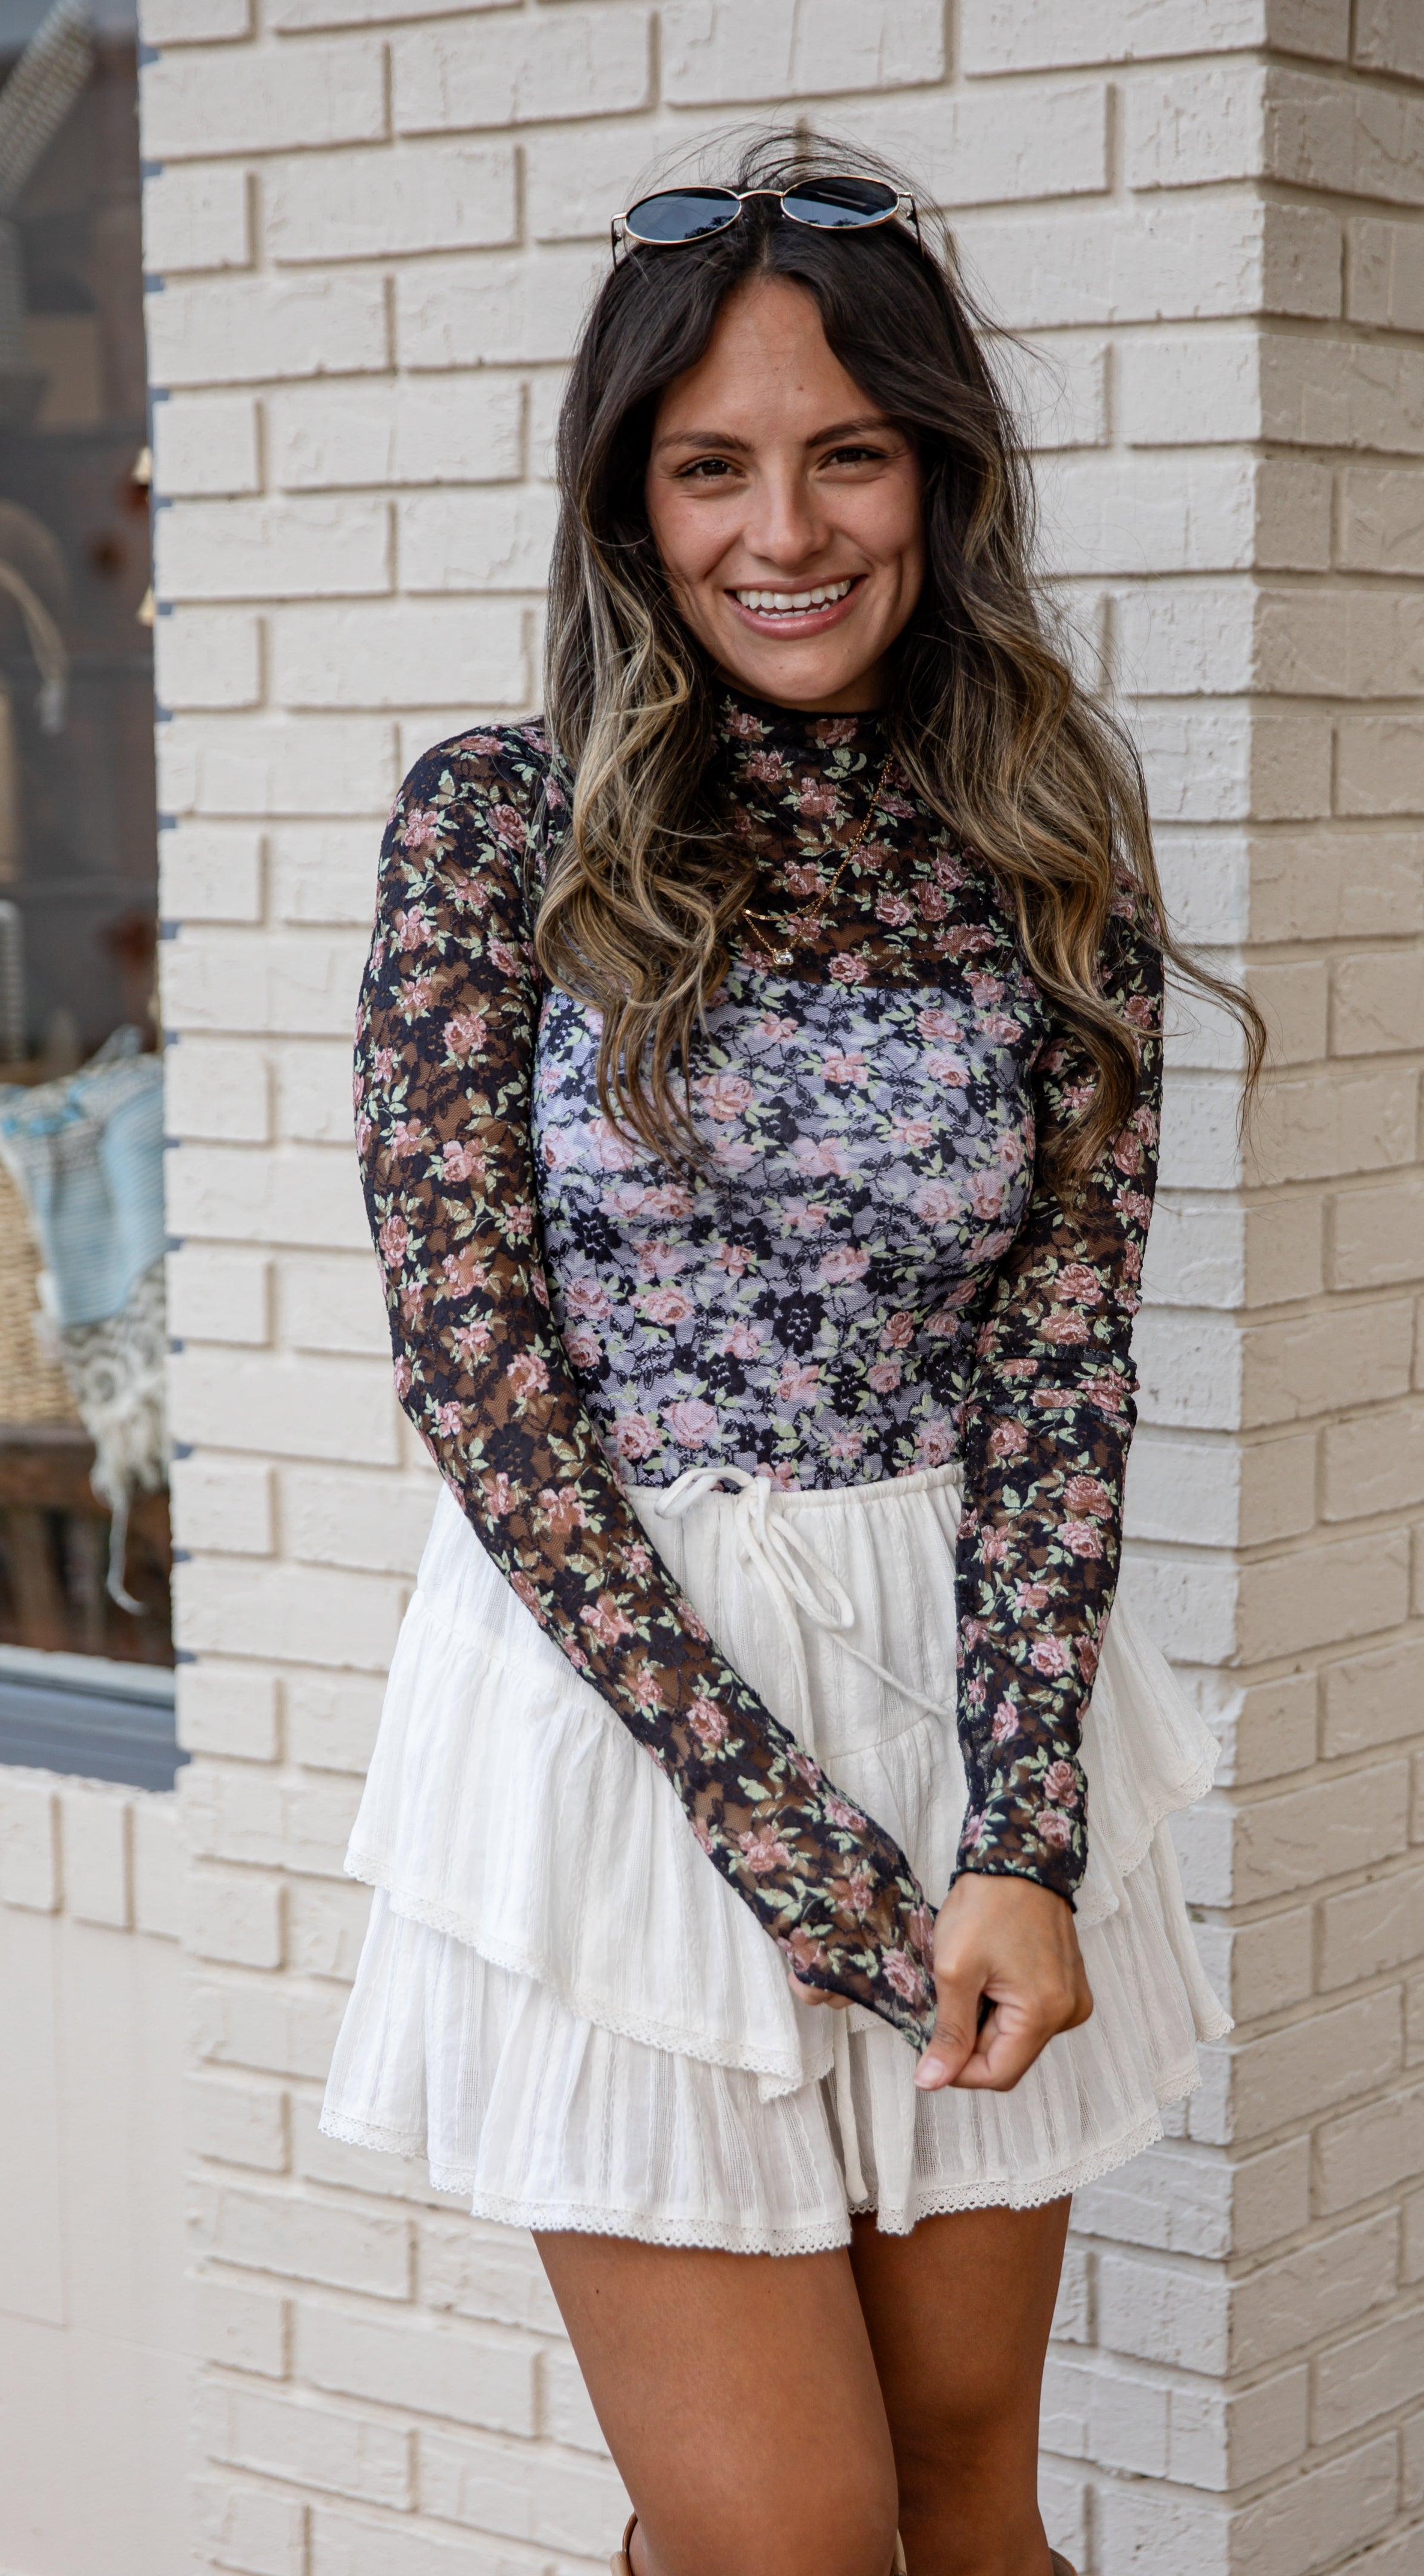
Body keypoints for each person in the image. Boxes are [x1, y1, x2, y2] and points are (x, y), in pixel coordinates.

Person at [323, 133, 1261, 2576]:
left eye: (846, 454)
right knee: (792, 2543)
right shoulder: (499, 826)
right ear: (627, 504)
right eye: (707, 466)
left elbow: (1062, 1376)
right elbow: (479, 1379)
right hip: (623, 1726)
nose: (784, 530)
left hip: (964, 1693)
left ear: (935, 473)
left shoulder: (1040, 842)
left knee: (969, 2515)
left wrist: (1017, 1841)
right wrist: (791, 1850)